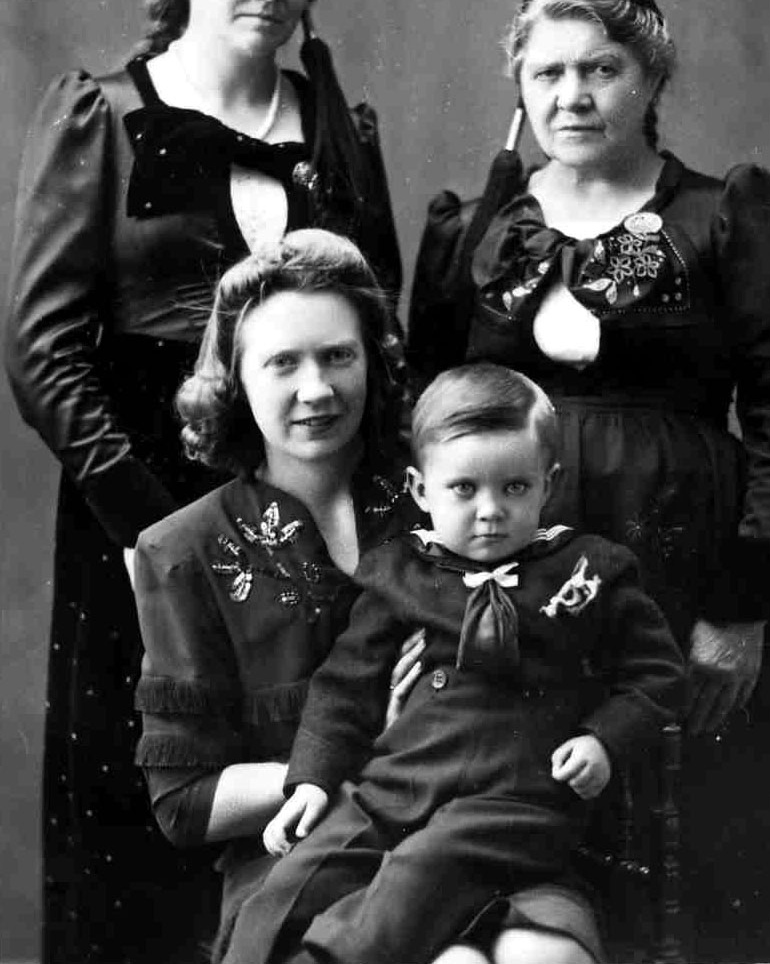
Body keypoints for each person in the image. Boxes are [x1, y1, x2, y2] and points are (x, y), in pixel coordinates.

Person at [5, 0, 401, 964]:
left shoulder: (338, 125)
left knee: (308, 779)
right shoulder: (101, 114)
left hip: (306, 497)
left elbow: (380, 322)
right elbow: (42, 351)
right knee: (153, 797)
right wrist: (151, 528)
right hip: (141, 497)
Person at [411, 0, 770, 963]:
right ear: (519, 86)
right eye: (547, 73)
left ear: (651, 78)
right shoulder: (481, 229)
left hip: (684, 566)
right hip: (521, 569)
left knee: (694, 833)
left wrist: (743, 602)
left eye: (601, 69)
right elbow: (425, 409)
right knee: (534, 822)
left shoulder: (714, 216)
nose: (572, 96)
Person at [134, 233, 627, 964]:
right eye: (282, 363)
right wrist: (349, 758)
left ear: (373, 359)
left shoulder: (455, 492)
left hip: (492, 833)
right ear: (235, 378)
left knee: (540, 959)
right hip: (306, 854)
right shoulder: (183, 551)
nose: (317, 390)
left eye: (338, 356)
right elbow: (184, 804)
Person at [222, 362, 684, 964]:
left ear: (549, 483)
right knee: (296, 878)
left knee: (420, 869)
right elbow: (343, 687)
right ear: (420, 490)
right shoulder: (400, 573)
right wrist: (310, 779)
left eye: (514, 488)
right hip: (396, 785)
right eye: (464, 489)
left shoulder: (589, 570)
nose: (490, 510)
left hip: (516, 799)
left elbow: (657, 674)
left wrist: (604, 739)